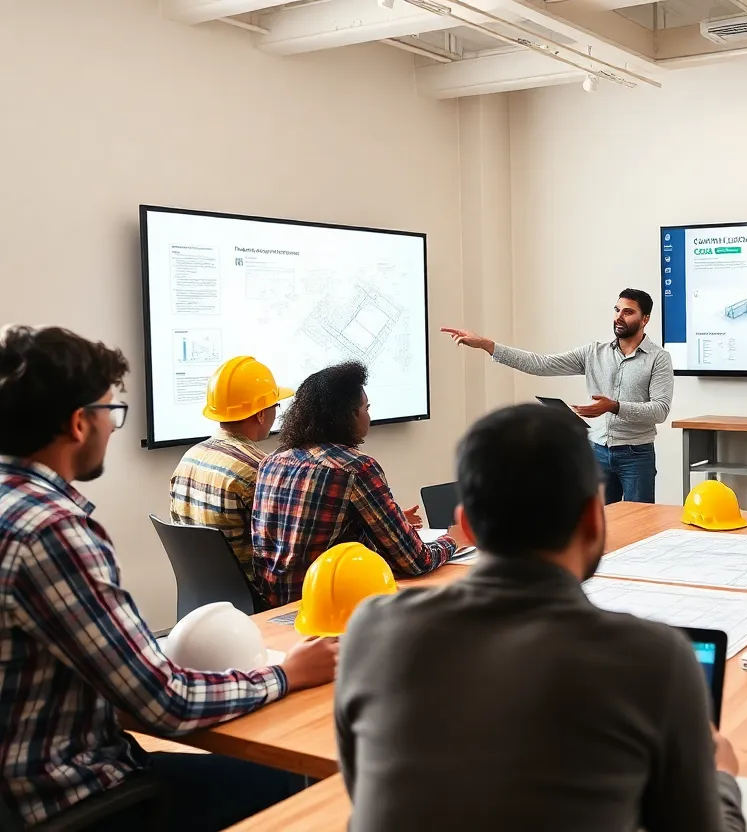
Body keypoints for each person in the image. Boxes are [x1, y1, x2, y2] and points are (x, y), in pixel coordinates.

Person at [335, 404, 745, 831]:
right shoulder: (654, 660)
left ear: (466, 526)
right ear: (593, 517)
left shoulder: (371, 628)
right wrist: (723, 779)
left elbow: (362, 794)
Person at [0, 325, 338, 830]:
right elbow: (167, 703)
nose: (114, 428)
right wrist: (289, 674)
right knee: (301, 784)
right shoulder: (53, 532)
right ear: (78, 424)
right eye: (111, 412)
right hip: (68, 793)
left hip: (20, 777)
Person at [252, 361, 462, 608]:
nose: (369, 416)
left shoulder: (272, 461)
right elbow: (415, 561)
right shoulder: (355, 468)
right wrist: (454, 539)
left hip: (273, 607)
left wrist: (394, 524)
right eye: (366, 407)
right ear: (350, 414)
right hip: (330, 606)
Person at [442, 289, 674, 504]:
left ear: (645, 319)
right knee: (601, 528)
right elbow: (541, 364)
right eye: (616, 310)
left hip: (636, 455)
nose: (619, 317)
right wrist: (486, 344)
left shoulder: (658, 358)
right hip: (598, 453)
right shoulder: (594, 352)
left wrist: (613, 406)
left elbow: (660, 410)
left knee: (640, 527)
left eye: (628, 312)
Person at [170, 355, 292, 590]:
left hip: (201, 600)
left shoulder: (189, 458)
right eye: (275, 406)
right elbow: (282, 557)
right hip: (252, 607)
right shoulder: (259, 469)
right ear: (260, 414)